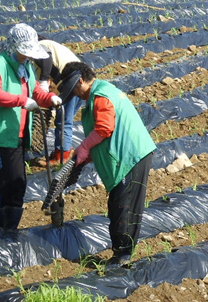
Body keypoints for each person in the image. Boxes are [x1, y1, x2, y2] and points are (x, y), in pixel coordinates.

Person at [57, 61, 156, 266]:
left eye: (74, 89)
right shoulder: (102, 91)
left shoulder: (100, 96)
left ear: (81, 81)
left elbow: (104, 128)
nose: (75, 95)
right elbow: (104, 135)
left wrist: (84, 147)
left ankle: (122, 257)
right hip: (128, 153)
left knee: (123, 206)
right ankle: (121, 253)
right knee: (118, 204)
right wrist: (87, 156)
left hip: (130, 156)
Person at [0, 24, 62, 235]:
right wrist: (21, 101)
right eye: (24, 51)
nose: (27, 55)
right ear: (14, 46)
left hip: (18, 134)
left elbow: (35, 92)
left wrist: (50, 98)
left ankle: (10, 230)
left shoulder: (26, 68)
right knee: (1, 184)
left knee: (17, 183)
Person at [33, 38, 83, 165]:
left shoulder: (40, 46)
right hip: (80, 80)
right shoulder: (52, 45)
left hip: (72, 82)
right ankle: (63, 151)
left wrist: (44, 82)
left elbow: (46, 59)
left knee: (63, 121)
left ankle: (61, 156)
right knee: (67, 120)